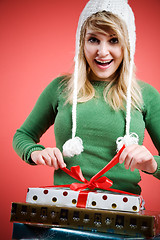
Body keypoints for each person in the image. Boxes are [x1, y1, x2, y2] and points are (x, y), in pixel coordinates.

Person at [13, 0, 160, 195]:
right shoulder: (60, 88)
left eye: (114, 40)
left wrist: (152, 164)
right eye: (93, 39)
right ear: (81, 42)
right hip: (66, 206)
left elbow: (155, 163)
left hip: (122, 213)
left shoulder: (146, 95)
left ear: (127, 45)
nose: (102, 51)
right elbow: (22, 135)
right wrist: (36, 153)